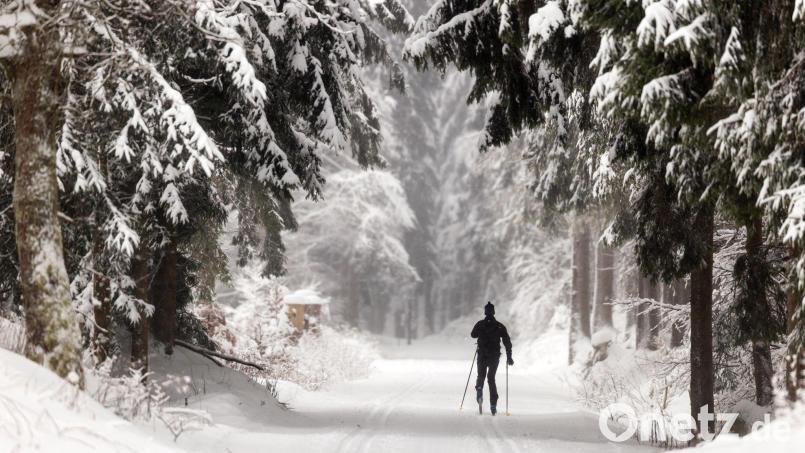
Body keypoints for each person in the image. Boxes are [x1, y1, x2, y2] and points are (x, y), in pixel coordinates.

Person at [470, 301, 513, 415]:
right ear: (494, 312)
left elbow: (473, 335)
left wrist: (481, 333)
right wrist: (509, 356)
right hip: (494, 356)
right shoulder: (499, 326)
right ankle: (493, 404)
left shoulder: (480, 324)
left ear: (485, 312)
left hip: (482, 355)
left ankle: (479, 389)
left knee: (481, 376)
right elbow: (507, 342)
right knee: (491, 378)